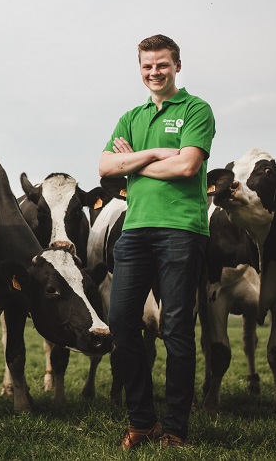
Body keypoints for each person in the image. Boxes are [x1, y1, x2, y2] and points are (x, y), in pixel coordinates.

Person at [98, 34, 215, 450]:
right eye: (147, 66)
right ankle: (142, 421)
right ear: (141, 69)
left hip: (182, 229)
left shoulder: (196, 109)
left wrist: (134, 163)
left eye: (162, 65)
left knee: (177, 329)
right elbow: (105, 167)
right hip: (134, 230)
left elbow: (186, 167)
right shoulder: (131, 115)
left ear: (177, 66)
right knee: (120, 322)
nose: (154, 72)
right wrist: (154, 154)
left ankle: (176, 428)